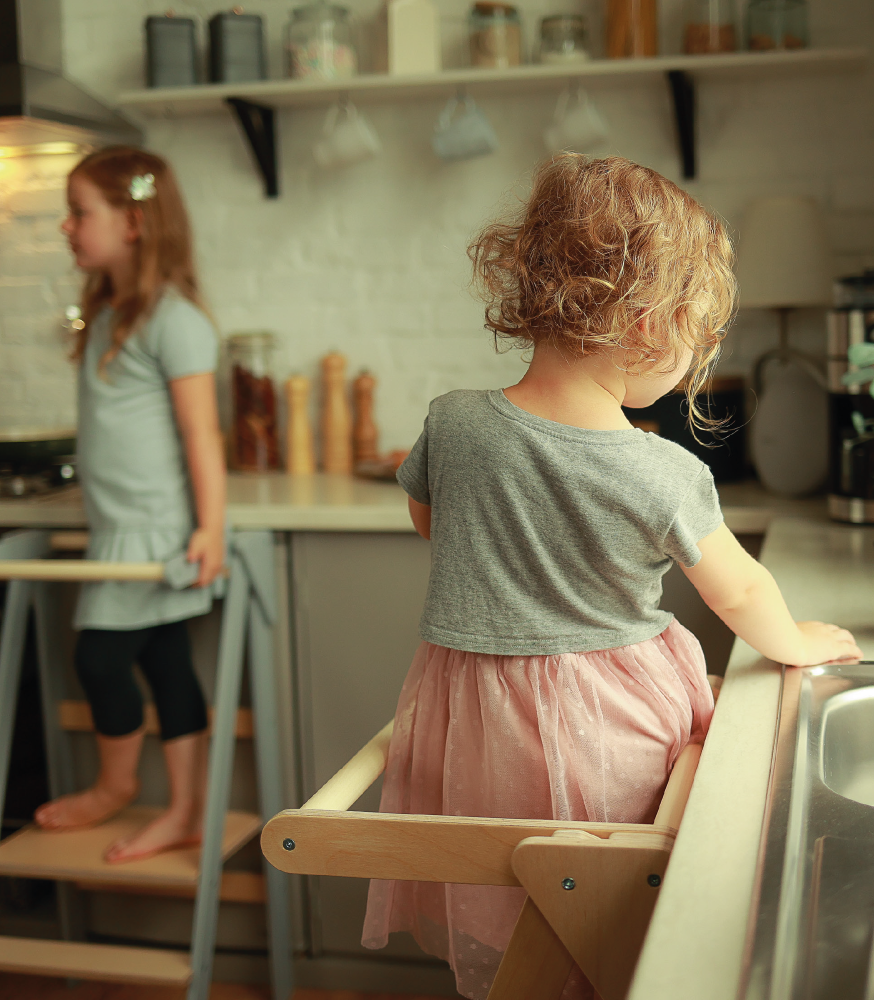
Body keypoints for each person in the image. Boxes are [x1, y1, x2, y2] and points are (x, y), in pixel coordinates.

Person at [362, 154, 861, 999]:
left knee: (519, 913)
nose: (695, 363)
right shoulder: (661, 471)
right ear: (644, 325)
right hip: (602, 720)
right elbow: (738, 592)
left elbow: (429, 522)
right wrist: (798, 639)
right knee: (603, 915)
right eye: (697, 339)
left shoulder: (452, 423)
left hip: (472, 722)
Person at [33, 147, 226, 864]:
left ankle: (117, 787)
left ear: (135, 222)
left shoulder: (173, 320)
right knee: (167, 665)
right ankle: (184, 810)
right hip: (119, 529)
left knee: (101, 659)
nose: (67, 226)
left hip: (156, 533)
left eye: (81, 212)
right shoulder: (108, 311)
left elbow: (201, 432)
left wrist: (209, 527)